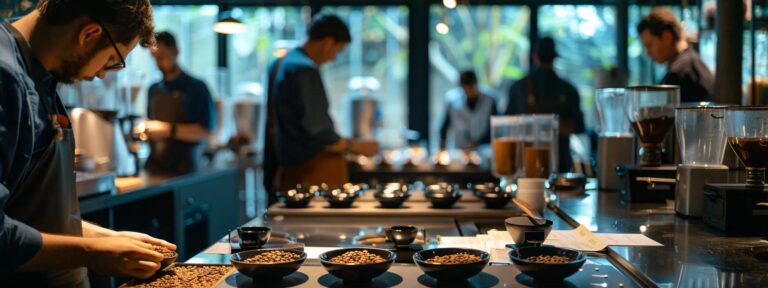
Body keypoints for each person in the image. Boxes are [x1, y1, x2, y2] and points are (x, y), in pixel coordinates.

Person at [0, 1, 175, 286]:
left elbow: (35, 218)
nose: (103, 74)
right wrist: (92, 252)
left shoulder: (42, 75)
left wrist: (107, 238)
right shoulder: (5, 76)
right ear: (89, 33)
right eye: (112, 60)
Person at [263, 13, 378, 199]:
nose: (333, 58)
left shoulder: (279, 64)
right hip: (310, 173)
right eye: (337, 51)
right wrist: (358, 146)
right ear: (327, 43)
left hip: (284, 168)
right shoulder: (304, 69)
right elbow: (320, 135)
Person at [505, 37, 585, 173]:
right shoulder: (568, 89)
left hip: (525, 164)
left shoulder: (518, 87)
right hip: (560, 166)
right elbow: (579, 127)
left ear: (535, 56)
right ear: (555, 58)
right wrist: (554, 126)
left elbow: (508, 125)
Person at [145, 31, 216, 175]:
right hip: (155, 169)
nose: (159, 63)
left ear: (175, 51)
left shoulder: (197, 87)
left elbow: (204, 132)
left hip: (186, 170)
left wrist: (168, 130)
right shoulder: (153, 90)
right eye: (155, 58)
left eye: (162, 57)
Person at [637, 7, 714, 103]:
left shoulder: (679, 73)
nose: (647, 52)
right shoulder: (691, 61)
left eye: (649, 45)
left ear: (667, 37)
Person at [439, 70, 497, 150]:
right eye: (465, 88)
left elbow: (494, 129)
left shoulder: (489, 100)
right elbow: (444, 127)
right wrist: (442, 148)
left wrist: (477, 143)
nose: (468, 91)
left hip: (483, 149)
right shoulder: (453, 101)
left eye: (470, 87)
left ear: (476, 84)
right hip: (460, 149)